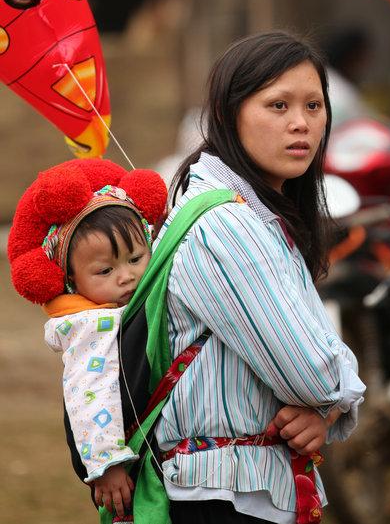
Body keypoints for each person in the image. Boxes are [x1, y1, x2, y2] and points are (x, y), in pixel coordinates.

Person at [156, 30, 366, 524]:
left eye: (314, 106)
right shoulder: (224, 225)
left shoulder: (259, 214)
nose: (301, 123)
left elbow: (312, 370)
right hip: (222, 498)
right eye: (278, 106)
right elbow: (310, 371)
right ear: (229, 116)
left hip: (245, 489)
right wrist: (338, 395)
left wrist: (326, 408)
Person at [7, 158, 168, 520]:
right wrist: (106, 465)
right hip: (124, 470)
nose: (127, 276)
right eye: (105, 270)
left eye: (136, 258)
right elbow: (89, 392)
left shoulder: (135, 299)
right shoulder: (91, 325)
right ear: (72, 281)